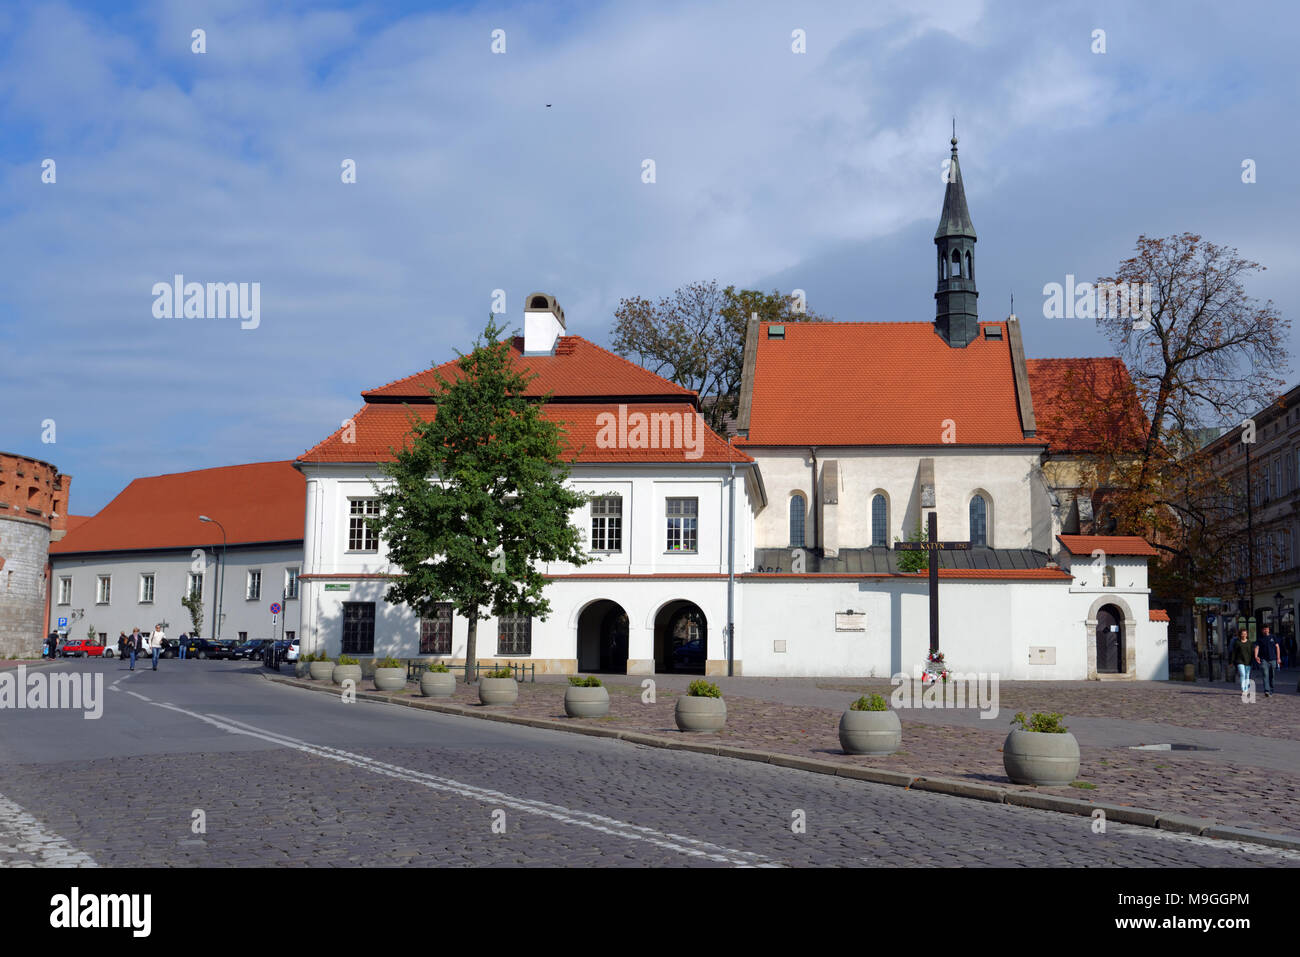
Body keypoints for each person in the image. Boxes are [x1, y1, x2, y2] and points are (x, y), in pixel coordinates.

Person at [1255, 624, 1282, 697]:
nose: (1265, 630)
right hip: (1264, 659)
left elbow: (1277, 647)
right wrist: (1256, 656)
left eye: (1266, 629)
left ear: (1268, 630)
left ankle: (1271, 689)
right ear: (1262, 630)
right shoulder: (1260, 639)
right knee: (1265, 674)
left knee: (1272, 676)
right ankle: (1266, 690)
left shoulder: (1273, 637)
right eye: (1264, 629)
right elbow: (1257, 647)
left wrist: (1278, 658)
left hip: (1273, 659)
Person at [1229, 628, 1254, 697]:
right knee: (1242, 674)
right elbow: (1234, 652)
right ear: (1240, 635)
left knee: (1247, 675)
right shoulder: (1237, 642)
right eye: (1242, 634)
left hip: (1248, 661)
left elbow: (1252, 653)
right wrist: (1231, 661)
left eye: (1245, 634)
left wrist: (1253, 660)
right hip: (1239, 661)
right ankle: (1244, 689)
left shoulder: (1250, 643)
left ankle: (1246, 688)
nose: (1244, 635)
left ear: (1247, 634)